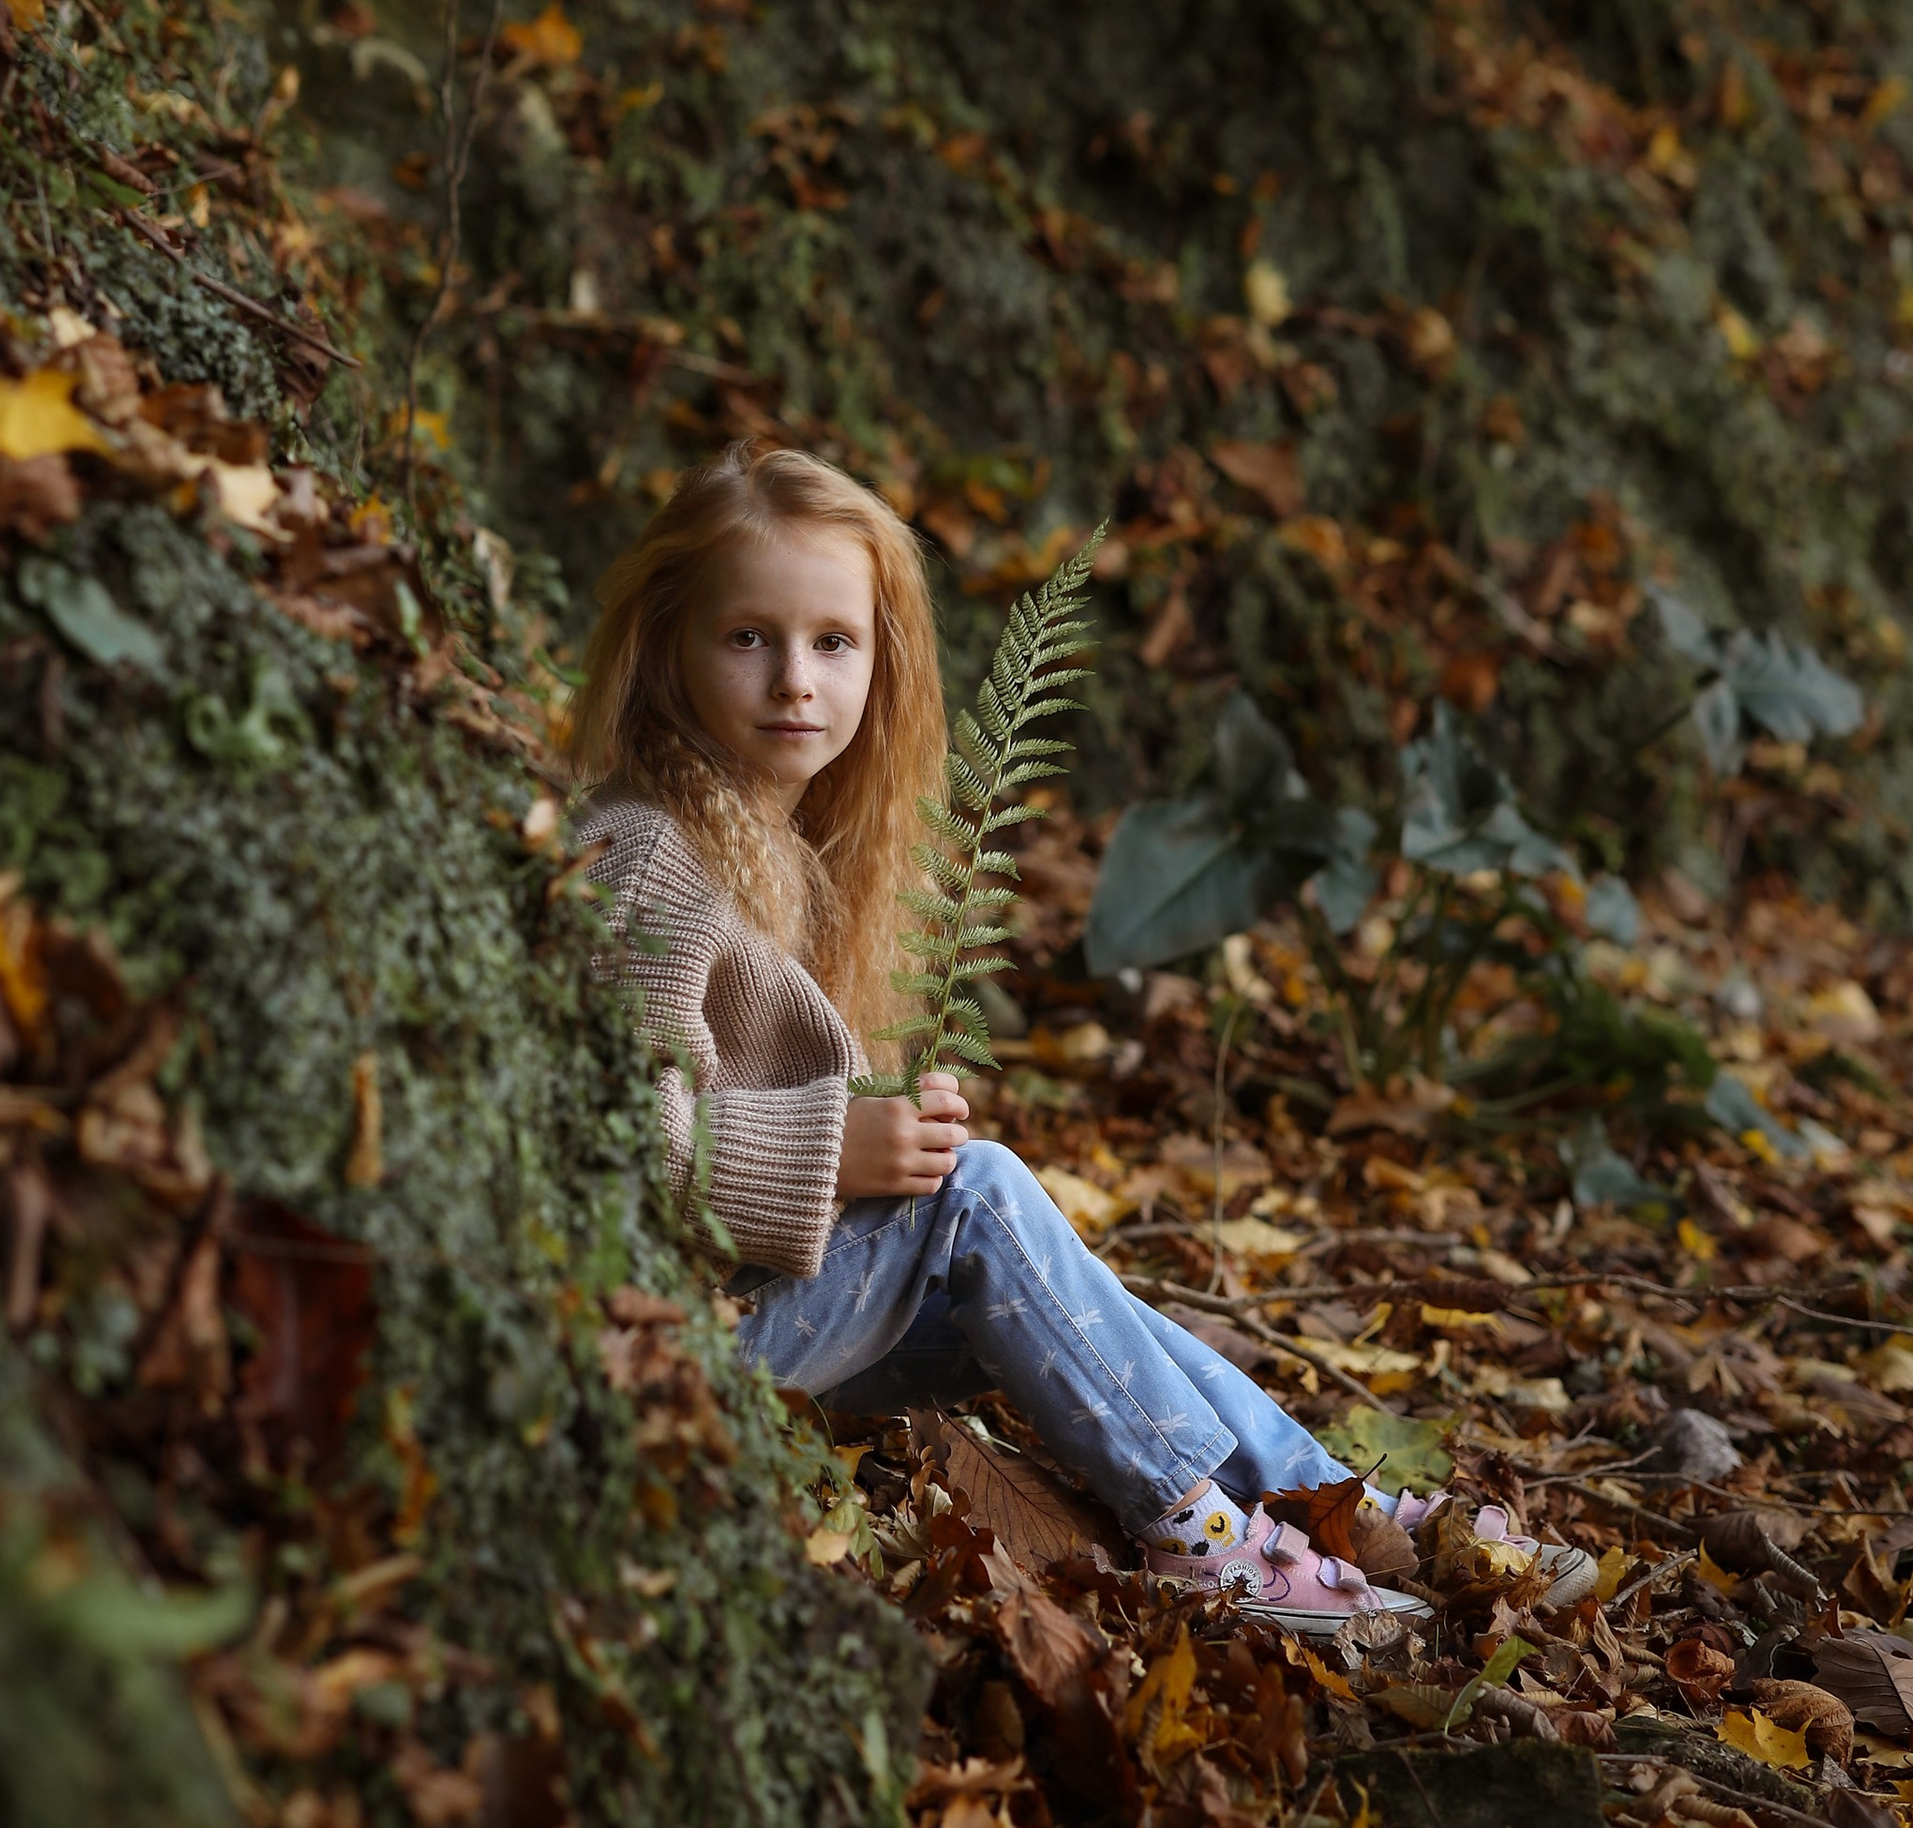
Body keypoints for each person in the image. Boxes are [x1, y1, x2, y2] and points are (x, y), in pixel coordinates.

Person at [564, 436, 1431, 1633]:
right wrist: (840, 1151)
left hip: (755, 1308)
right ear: (667, 647)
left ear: (882, 659)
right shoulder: (649, 855)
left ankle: (1344, 1502)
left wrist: (882, 1133)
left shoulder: (782, 845)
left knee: (1086, 1310)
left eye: (833, 642)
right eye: (746, 637)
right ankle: (1203, 1538)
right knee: (976, 1196)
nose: (794, 682)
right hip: (661, 1342)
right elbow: (593, 1134)